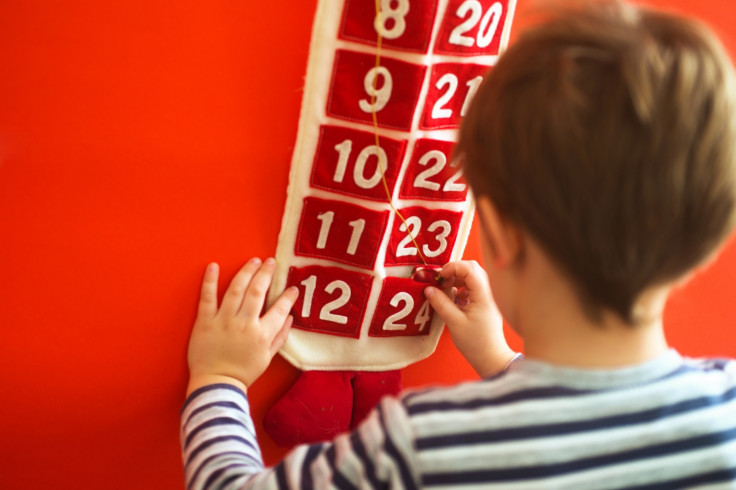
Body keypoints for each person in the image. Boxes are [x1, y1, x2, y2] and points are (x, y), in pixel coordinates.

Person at [181, 0, 736, 488]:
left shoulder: (422, 447)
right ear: (707, 235)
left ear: (498, 231)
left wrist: (220, 378)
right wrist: (498, 362)